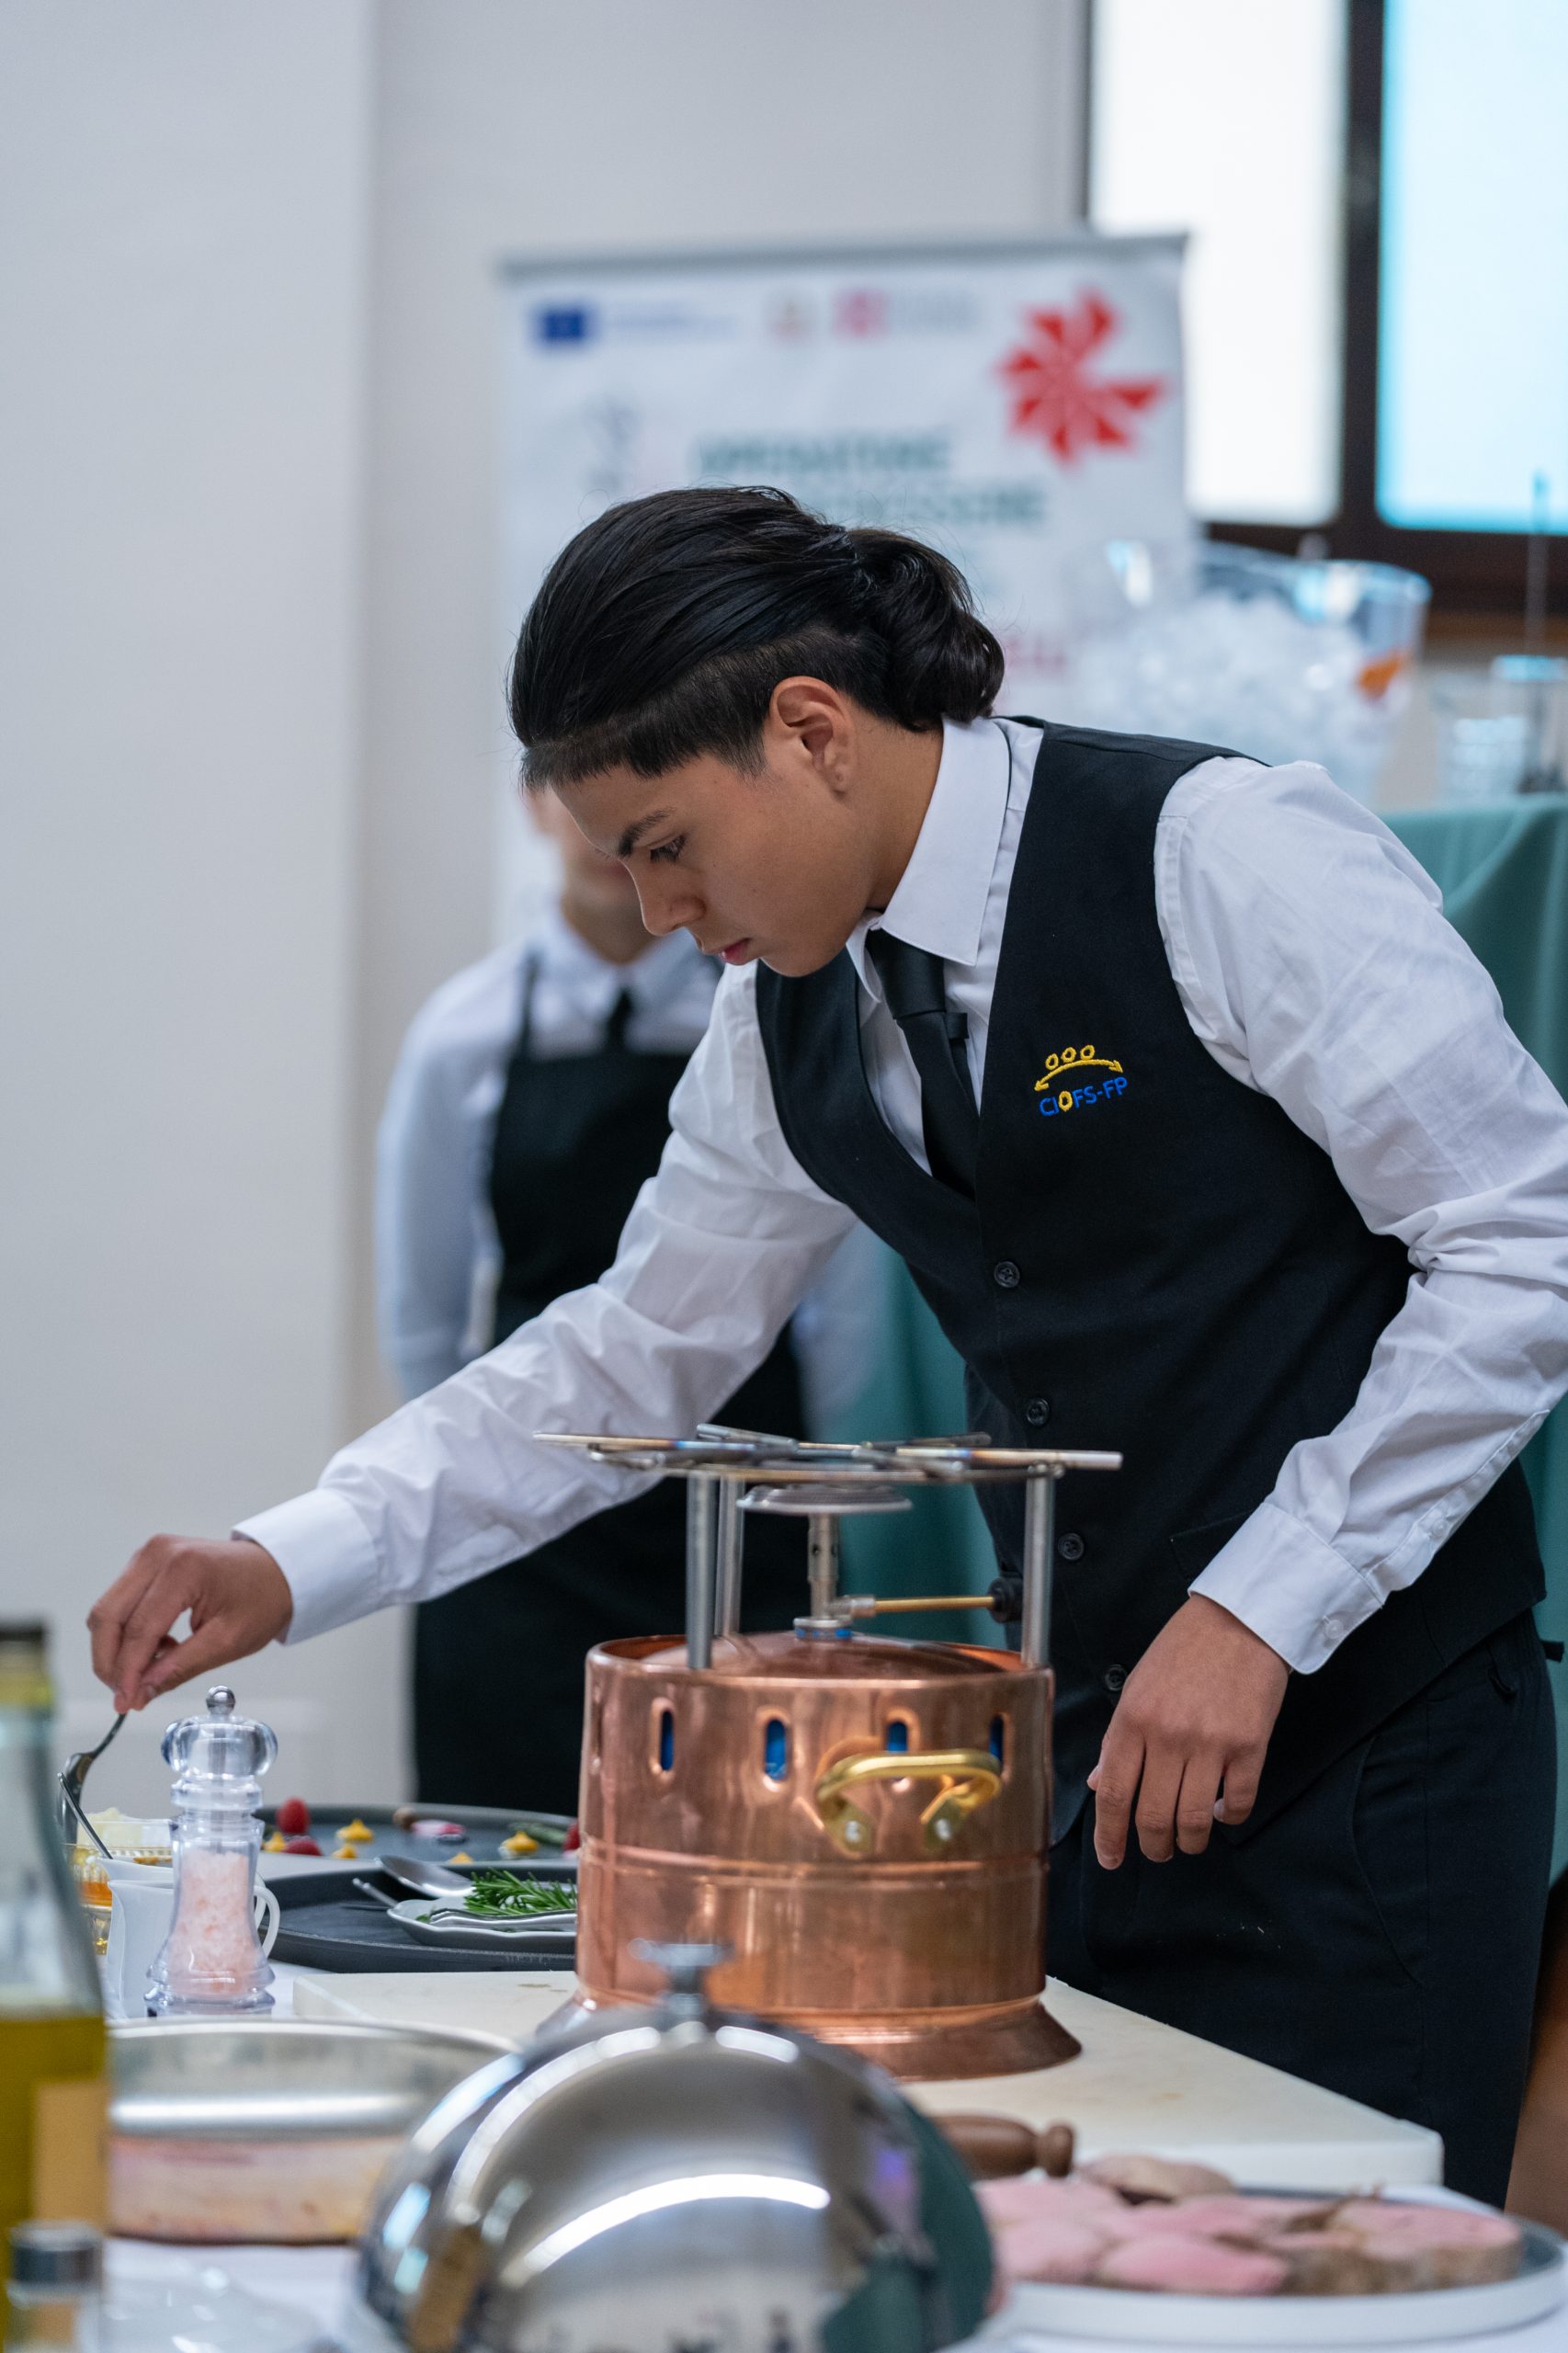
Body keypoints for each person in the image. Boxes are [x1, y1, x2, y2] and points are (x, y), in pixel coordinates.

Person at [90, 487, 1568, 2201]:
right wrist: (291, 1556)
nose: (655, 907)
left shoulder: (1218, 854)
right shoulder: (783, 1012)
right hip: (1075, 1783)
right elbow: (633, 1349)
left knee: (1339, 2269)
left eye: (665, 843)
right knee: (1091, 2266)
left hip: (1370, 1761)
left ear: (809, 731)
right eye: (621, 860)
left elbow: (1522, 1240)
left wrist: (1262, 1603)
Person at [377, 790, 869, 1808]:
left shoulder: (770, 1011)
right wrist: (485, 1477)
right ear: (530, 804)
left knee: (747, 1831)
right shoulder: (463, 1035)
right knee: (499, 1855)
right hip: (527, 1536)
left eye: (647, 819)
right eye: (579, 801)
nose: (615, 846)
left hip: (735, 1507)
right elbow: (423, 1319)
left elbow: (843, 1307)